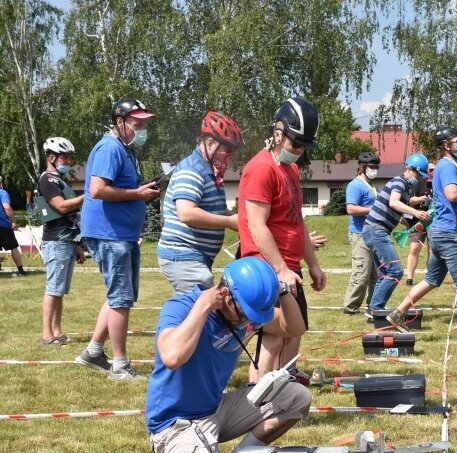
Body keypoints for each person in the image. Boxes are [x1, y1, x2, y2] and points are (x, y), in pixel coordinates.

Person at [146, 256, 310, 453]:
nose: (249, 321)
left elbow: (294, 328)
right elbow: (171, 357)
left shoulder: (244, 312)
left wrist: (284, 291)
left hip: (215, 410)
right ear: (224, 294)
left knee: (297, 397)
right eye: (245, 313)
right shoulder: (181, 307)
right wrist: (202, 306)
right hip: (175, 422)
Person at [238, 97, 326, 384]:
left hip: (289, 268)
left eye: (304, 146)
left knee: (294, 332)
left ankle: (283, 389)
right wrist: (280, 269)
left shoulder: (291, 169)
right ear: (278, 133)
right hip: (266, 268)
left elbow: (295, 220)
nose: (299, 151)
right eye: (296, 144)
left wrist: (311, 263)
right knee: (273, 339)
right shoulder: (261, 168)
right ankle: (257, 400)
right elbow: (256, 224)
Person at [76, 98, 160, 381]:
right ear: (120, 122)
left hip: (121, 234)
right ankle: (121, 366)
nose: (142, 129)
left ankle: (93, 351)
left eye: (145, 124)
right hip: (109, 235)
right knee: (121, 298)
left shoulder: (125, 150)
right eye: (137, 124)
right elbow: (98, 190)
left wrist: (141, 189)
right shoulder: (110, 148)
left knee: (118, 297)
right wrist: (137, 194)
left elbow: (119, 187)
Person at [385, 127, 457, 346]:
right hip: (450, 235)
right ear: (447, 145)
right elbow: (453, 194)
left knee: (431, 280)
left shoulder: (448, 167)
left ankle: (398, 313)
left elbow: (452, 200)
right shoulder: (448, 167)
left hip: (440, 232)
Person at [157, 112, 245, 294]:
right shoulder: (192, 169)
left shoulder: (209, 171)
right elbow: (186, 213)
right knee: (204, 312)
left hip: (192, 257)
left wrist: (239, 218)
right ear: (210, 143)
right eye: (227, 149)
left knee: (189, 315)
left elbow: (214, 209)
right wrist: (229, 222)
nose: (231, 156)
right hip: (183, 256)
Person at [362, 153, 431, 315]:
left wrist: (412, 225)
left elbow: (395, 212)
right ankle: (376, 308)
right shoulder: (399, 182)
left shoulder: (406, 188)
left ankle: (373, 310)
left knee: (384, 273)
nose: (420, 178)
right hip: (376, 230)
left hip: (375, 230)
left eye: (422, 176)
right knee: (396, 271)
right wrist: (416, 212)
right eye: (418, 174)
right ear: (409, 169)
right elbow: (394, 202)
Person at [37, 137, 86, 346]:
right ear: (51, 157)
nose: (67, 160)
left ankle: (57, 331)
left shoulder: (61, 181)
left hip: (66, 241)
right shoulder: (48, 180)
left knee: (60, 291)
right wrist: (88, 195)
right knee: (53, 288)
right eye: (64, 156)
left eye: (68, 157)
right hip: (55, 241)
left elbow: (71, 218)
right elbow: (63, 207)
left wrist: (77, 245)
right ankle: (47, 334)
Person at [342, 151, 380, 316]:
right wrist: (372, 209)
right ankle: (351, 307)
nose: (375, 170)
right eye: (372, 167)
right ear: (362, 167)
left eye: (376, 167)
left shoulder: (372, 185)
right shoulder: (355, 185)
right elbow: (350, 208)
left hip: (373, 234)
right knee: (361, 272)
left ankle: (374, 305)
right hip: (360, 234)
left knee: (375, 274)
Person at [403, 161, 434, 286]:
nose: (432, 172)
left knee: (432, 250)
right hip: (418, 221)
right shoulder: (419, 182)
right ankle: (409, 278)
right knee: (414, 249)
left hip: (434, 222)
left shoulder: (440, 183)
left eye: (434, 170)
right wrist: (422, 199)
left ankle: (431, 277)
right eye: (430, 170)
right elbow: (410, 200)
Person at [0, 175, 27, 276]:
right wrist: (14, 222)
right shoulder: (2, 193)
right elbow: (7, 208)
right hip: (3, 225)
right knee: (13, 247)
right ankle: (20, 270)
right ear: (1, 183)